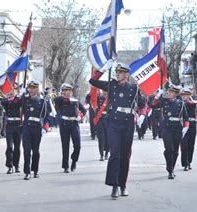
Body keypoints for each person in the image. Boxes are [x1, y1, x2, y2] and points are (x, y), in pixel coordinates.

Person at [88, 61, 146, 199]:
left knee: (125, 154)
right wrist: (102, 70)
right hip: (113, 123)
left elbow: (142, 104)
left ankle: (122, 185)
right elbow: (92, 81)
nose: (117, 74)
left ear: (126, 74)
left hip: (128, 123)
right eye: (116, 72)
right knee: (115, 153)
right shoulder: (111, 84)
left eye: (120, 72)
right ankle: (114, 186)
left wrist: (142, 115)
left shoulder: (134, 88)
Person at [151, 85, 189, 178]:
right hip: (166, 127)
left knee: (175, 150)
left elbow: (186, 118)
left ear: (176, 94)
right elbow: (152, 105)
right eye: (169, 92)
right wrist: (157, 96)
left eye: (171, 92)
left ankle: (172, 167)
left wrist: (185, 127)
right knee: (168, 149)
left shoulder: (181, 103)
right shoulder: (164, 101)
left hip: (177, 128)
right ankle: (170, 169)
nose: (169, 94)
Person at [21, 81, 52, 180]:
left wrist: (44, 127)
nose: (32, 90)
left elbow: (47, 115)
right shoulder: (24, 100)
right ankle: (27, 172)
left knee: (35, 151)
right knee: (26, 151)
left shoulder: (43, 101)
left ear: (37, 89)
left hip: (37, 128)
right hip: (26, 128)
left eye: (34, 88)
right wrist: (20, 93)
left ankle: (35, 170)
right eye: (30, 88)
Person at [54, 83, 87, 173]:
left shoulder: (75, 101)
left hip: (74, 124)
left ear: (71, 92)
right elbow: (56, 100)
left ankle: (74, 160)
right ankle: (65, 166)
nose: (67, 92)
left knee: (78, 145)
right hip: (64, 124)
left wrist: (79, 115)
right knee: (65, 146)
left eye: (68, 90)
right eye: (64, 90)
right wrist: (63, 96)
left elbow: (83, 111)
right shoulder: (60, 100)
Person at [1, 87, 22, 174]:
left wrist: (19, 96)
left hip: (18, 125)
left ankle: (16, 165)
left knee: (17, 147)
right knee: (9, 147)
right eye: (10, 91)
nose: (11, 92)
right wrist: (10, 98)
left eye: (13, 91)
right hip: (9, 125)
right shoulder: (7, 101)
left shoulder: (19, 100)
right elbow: (3, 102)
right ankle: (9, 166)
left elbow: (22, 103)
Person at [180, 87, 197, 171]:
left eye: (185, 95)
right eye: (182, 95)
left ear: (189, 95)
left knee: (191, 145)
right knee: (184, 145)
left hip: (192, 125)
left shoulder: (193, 104)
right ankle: (185, 163)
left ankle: (189, 161)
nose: (183, 96)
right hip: (183, 125)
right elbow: (188, 104)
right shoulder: (181, 103)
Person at [94, 90, 109, 161]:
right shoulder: (98, 98)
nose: (105, 93)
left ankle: (106, 153)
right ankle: (101, 155)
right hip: (100, 119)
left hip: (108, 119)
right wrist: (93, 89)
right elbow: (90, 98)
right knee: (101, 137)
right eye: (104, 91)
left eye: (106, 91)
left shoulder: (111, 98)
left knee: (108, 137)